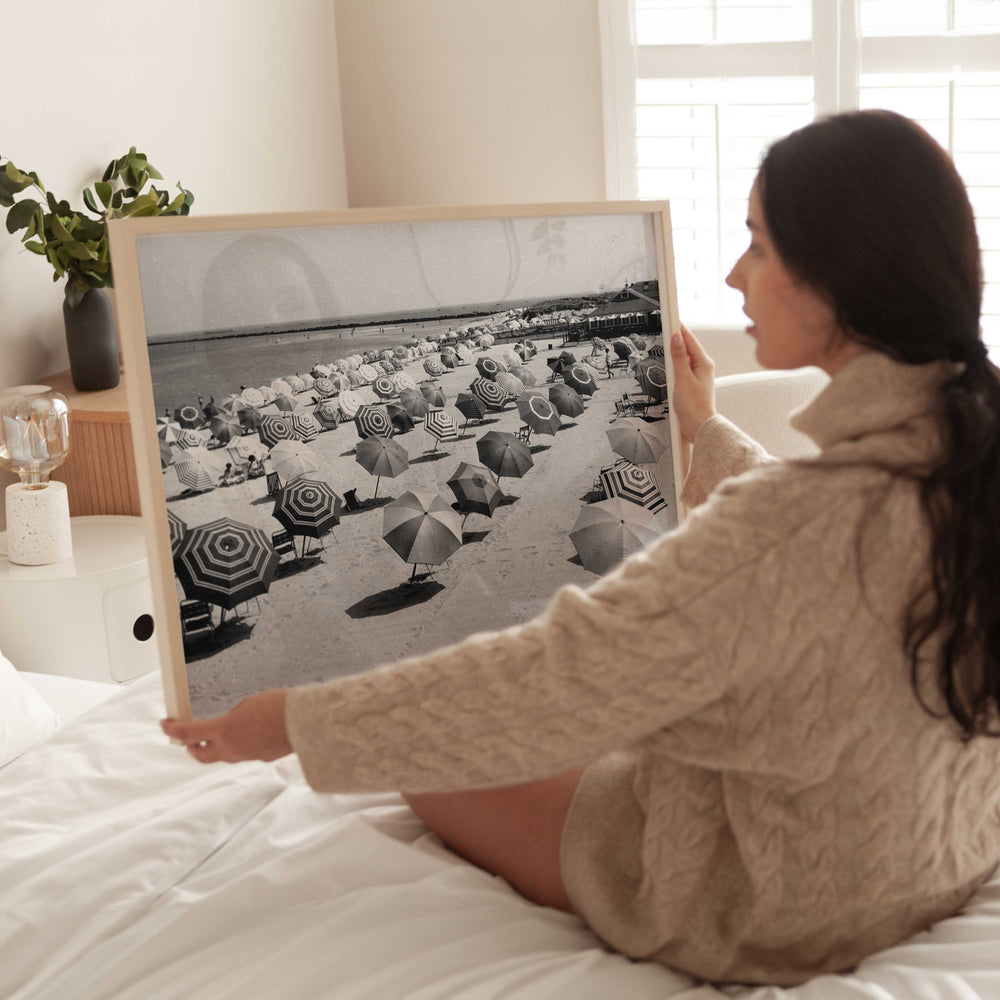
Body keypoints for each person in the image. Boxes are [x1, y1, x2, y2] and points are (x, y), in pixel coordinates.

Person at [161, 110, 1000, 986]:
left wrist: (289, 722)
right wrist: (704, 427)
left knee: (423, 756)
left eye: (757, 244)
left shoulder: (793, 528)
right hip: (937, 855)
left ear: (837, 276)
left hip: (764, 907)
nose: (733, 275)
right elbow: (815, 536)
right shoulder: (968, 449)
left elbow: (546, 680)